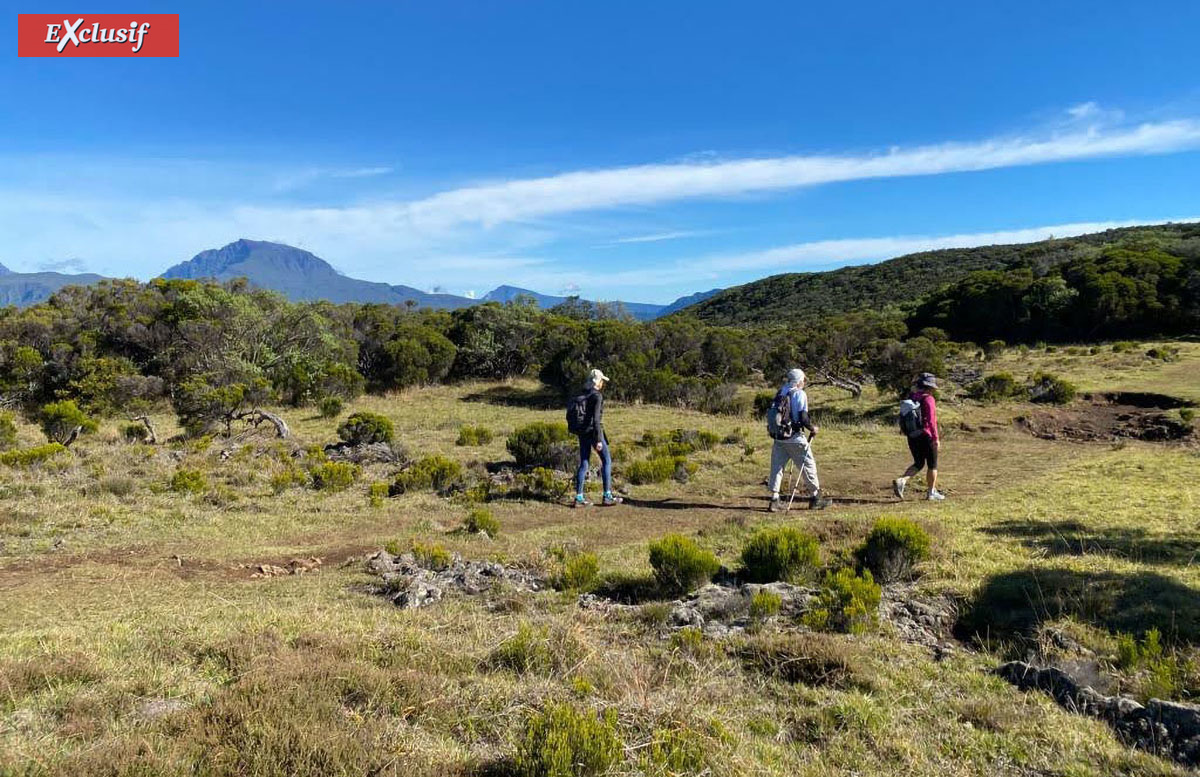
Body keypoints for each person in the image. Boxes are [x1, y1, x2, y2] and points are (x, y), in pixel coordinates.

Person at [767, 368, 831, 512]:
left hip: (779, 437)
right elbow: (803, 417)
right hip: (794, 437)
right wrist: (812, 428)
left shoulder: (781, 391)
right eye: (804, 379)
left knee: (777, 468)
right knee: (808, 466)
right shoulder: (800, 394)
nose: (804, 382)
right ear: (799, 380)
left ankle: (774, 500)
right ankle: (815, 498)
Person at [572, 368, 622, 508]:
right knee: (607, 460)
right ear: (598, 381)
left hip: (582, 433)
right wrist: (599, 439)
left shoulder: (583, 394)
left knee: (584, 463)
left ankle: (579, 498)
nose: (602, 384)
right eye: (602, 381)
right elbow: (596, 419)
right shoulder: (597, 396)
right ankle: (607, 496)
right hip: (593, 433)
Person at [894, 372, 945, 501]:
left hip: (912, 435)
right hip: (926, 435)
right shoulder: (928, 399)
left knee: (919, 463)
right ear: (930, 387)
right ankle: (931, 492)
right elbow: (931, 421)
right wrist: (935, 439)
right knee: (932, 465)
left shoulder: (912, 397)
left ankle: (902, 480)